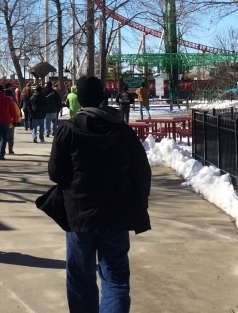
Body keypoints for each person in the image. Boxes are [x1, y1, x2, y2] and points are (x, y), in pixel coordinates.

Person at [37, 75, 152, 313]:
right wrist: (140, 202)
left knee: (81, 278)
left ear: (78, 99)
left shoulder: (67, 130)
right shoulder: (123, 131)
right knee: (115, 278)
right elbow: (141, 171)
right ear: (103, 97)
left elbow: (55, 173)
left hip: (80, 213)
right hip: (117, 212)